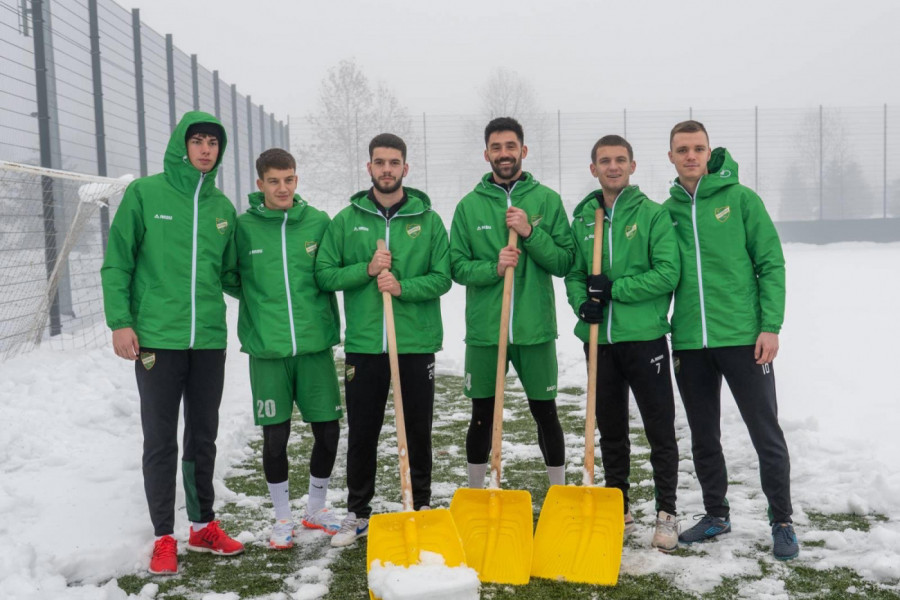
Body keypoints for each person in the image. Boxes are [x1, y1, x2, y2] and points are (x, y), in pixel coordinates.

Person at [101, 111, 243, 575]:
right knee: (160, 439)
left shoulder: (223, 208)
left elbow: (234, 276)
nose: (206, 149)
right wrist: (121, 322)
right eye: (198, 140)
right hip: (157, 339)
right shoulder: (146, 193)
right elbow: (117, 263)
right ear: (182, 145)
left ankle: (202, 525)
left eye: (213, 143)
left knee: (202, 437)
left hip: (207, 341)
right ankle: (164, 535)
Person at [663, 120, 799, 560]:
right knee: (704, 435)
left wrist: (770, 325)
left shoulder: (740, 199)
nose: (690, 156)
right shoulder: (666, 211)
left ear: (709, 151)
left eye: (698, 148)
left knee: (765, 433)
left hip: (744, 338)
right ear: (671, 157)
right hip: (689, 342)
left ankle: (782, 520)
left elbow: (771, 263)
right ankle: (715, 514)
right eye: (682, 149)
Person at [315, 133, 451, 547]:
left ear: (405, 168)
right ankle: (358, 512)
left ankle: (420, 504)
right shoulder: (346, 219)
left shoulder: (427, 220)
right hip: (365, 344)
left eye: (394, 162)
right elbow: (324, 274)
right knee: (363, 430)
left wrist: (402, 286)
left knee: (417, 429)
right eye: (380, 162)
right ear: (369, 168)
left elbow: (443, 277)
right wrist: (367, 270)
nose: (387, 169)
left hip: (415, 342)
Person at [565, 135, 681, 551]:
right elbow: (576, 274)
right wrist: (583, 303)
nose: (612, 167)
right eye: (604, 161)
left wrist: (615, 289)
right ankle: (619, 504)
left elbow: (668, 273)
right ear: (593, 168)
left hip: (644, 339)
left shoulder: (652, 215)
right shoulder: (584, 220)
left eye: (620, 160)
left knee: (658, 427)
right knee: (610, 428)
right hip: (600, 342)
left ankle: (666, 512)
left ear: (632, 166)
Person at [226, 148, 343, 549]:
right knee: (275, 438)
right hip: (268, 351)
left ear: (297, 180)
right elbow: (229, 276)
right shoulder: (243, 228)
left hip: (314, 347)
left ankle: (315, 507)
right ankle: (281, 518)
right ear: (260, 184)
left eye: (289, 179)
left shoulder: (318, 222)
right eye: (274, 181)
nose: (282, 188)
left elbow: (329, 271)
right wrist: (260, 304)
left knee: (328, 431)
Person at [450, 117, 575, 491]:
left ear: (523, 150)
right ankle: (475, 492)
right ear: (486, 153)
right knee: (481, 415)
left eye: (510, 146)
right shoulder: (469, 206)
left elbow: (565, 261)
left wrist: (530, 233)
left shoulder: (546, 200)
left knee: (545, 413)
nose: (503, 154)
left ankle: (558, 492)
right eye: (496, 147)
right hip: (487, 331)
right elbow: (456, 266)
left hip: (534, 329)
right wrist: (494, 266)